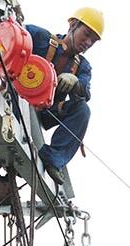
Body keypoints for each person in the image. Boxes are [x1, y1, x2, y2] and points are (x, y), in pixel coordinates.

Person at [25, 7, 104, 186]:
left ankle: (53, 159)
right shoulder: (40, 37)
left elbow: (84, 93)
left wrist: (75, 82)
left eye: (92, 41)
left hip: (47, 111)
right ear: (73, 25)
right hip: (19, 98)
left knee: (82, 110)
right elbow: (12, 36)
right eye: (86, 34)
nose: (88, 42)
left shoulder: (82, 66)